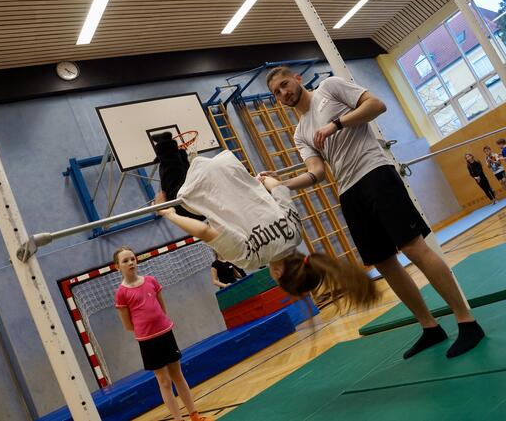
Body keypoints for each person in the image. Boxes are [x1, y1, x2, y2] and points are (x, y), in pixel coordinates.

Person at [265, 66, 484, 359]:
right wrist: (281, 184)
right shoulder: (299, 132)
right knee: (384, 263)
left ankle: (466, 321)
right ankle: (429, 326)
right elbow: (316, 172)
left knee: (413, 247)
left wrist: (336, 124)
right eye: (277, 92)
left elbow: (377, 105)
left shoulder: (329, 88)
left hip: (375, 173)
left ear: (297, 79)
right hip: (348, 192)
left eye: (285, 84)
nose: (283, 93)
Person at [151, 135, 378, 313]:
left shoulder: (295, 233)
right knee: (178, 201)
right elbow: (204, 231)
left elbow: (278, 187)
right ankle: (166, 146)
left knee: (190, 200)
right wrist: (167, 213)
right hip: (205, 182)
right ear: (278, 274)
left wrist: (262, 180)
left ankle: (178, 153)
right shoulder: (252, 259)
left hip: (230, 166)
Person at [114, 246, 213, 421]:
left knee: (178, 375)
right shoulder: (122, 293)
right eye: (125, 261)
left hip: (166, 333)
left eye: (132, 258)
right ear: (117, 267)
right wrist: (146, 329)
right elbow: (128, 325)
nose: (130, 263)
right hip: (148, 341)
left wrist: (159, 323)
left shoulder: (151, 280)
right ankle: (178, 419)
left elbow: (162, 308)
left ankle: (194, 415)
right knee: (164, 381)